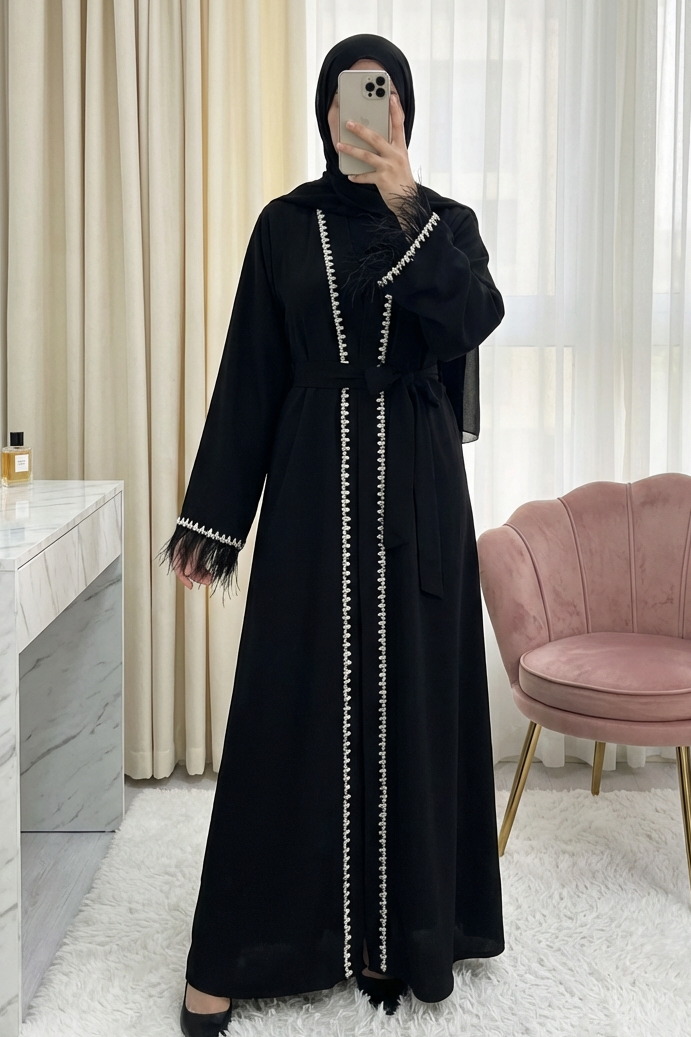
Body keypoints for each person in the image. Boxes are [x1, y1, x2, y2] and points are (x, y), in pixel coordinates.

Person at [161, 33, 505, 1037]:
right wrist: (214, 523)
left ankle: (404, 932)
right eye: (349, 95)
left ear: (404, 112)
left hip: (419, 498)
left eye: (382, 95)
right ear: (326, 113)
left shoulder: (446, 222)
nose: (364, 112)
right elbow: (251, 377)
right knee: (289, 705)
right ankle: (238, 949)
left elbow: (471, 318)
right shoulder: (284, 226)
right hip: (314, 495)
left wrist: (405, 202)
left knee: (414, 707)